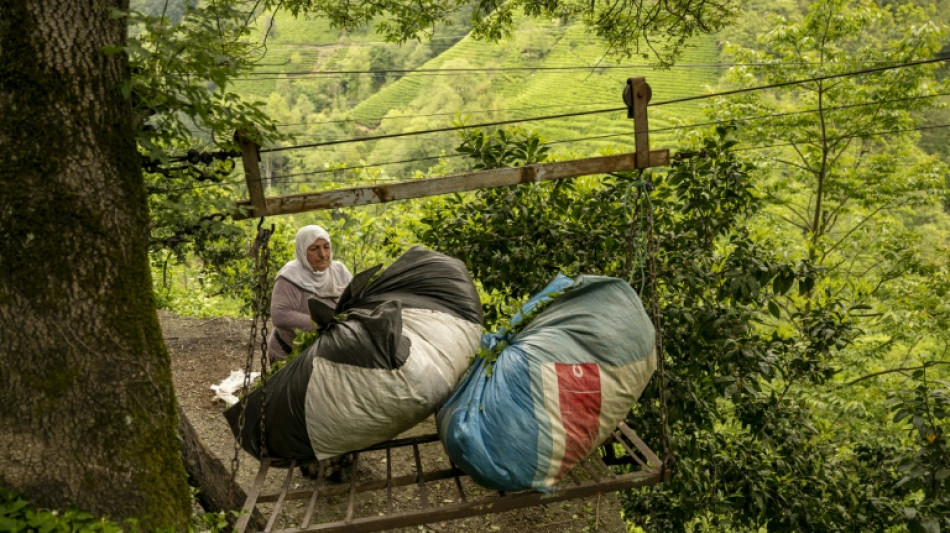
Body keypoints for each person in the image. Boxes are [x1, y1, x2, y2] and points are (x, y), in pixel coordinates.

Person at [267, 224, 353, 361]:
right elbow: (280, 315)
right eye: (314, 249)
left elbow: (354, 300)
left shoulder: (339, 271)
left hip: (327, 352)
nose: (323, 255)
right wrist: (325, 324)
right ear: (302, 251)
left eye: (326, 247)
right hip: (291, 354)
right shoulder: (290, 276)